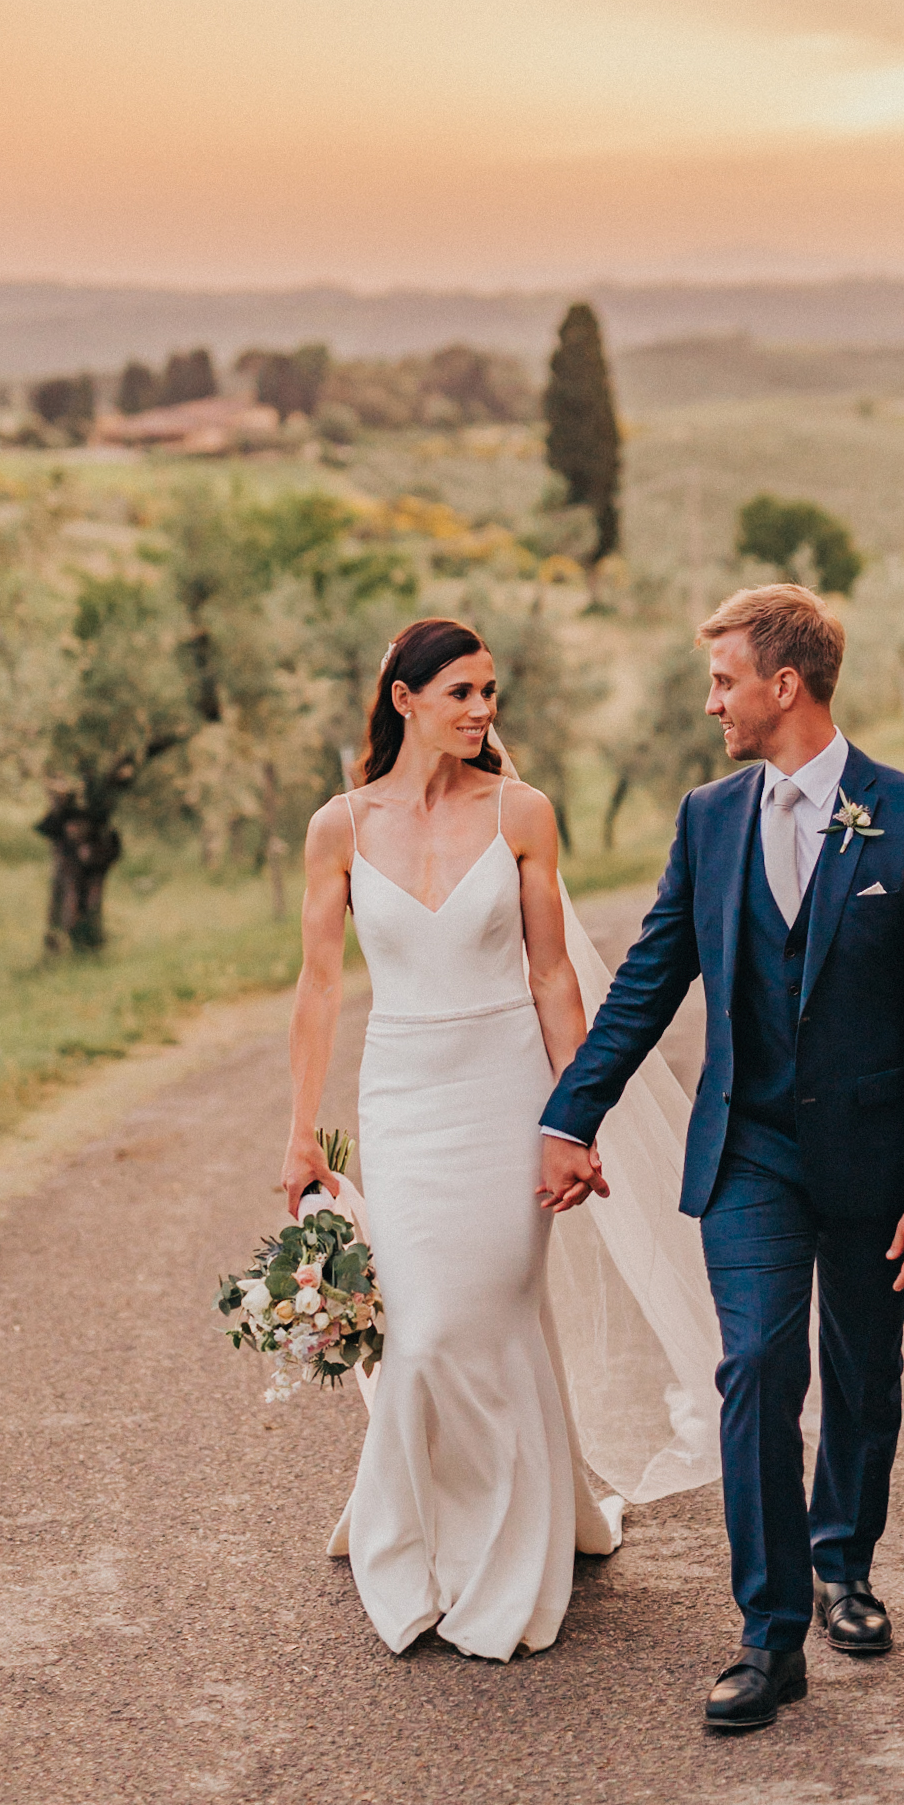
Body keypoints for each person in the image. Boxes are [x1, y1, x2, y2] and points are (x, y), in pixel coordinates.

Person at [540, 584, 904, 1731]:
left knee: (862, 1377)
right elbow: (647, 981)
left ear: (785, 685)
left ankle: (843, 1561)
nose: (710, 701)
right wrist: (567, 1113)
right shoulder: (708, 817)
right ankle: (767, 1633)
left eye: (724, 679)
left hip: (878, 1164)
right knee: (753, 1374)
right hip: (750, 1152)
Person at [280, 617, 629, 1663]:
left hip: (506, 1089)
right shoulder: (337, 827)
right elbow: (317, 985)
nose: (483, 711)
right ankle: (424, 1534)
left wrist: (575, 1113)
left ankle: (504, 1546)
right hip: (403, 1098)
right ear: (404, 699)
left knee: (486, 1312)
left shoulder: (522, 812)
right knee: (423, 1325)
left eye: (491, 692)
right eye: (463, 692)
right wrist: (300, 1136)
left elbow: (552, 974)